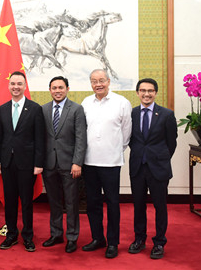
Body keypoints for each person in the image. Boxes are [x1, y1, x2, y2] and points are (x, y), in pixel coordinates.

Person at [81, 69, 132, 259]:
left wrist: (117, 149)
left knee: (112, 203)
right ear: (91, 84)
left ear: (109, 81)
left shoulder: (121, 103)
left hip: (111, 162)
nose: (98, 84)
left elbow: (126, 133)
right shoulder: (86, 102)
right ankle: (97, 238)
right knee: (92, 203)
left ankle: (113, 242)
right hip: (89, 161)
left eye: (101, 80)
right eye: (94, 81)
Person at [0, 71, 45, 252]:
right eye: (13, 84)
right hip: (7, 163)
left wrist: (39, 164)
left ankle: (28, 236)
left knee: (26, 202)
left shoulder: (35, 108)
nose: (16, 87)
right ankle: (11, 235)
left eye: (19, 84)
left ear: (25, 86)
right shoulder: (2, 108)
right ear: (8, 86)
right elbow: (0, 137)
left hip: (27, 164)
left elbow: (40, 138)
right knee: (9, 201)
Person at [128, 78, 177, 260]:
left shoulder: (166, 114)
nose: (146, 94)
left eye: (150, 91)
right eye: (142, 90)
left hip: (159, 168)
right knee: (138, 206)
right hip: (138, 167)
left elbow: (171, 143)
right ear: (138, 93)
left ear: (155, 93)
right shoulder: (131, 114)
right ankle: (139, 239)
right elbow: (130, 139)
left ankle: (159, 242)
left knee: (160, 206)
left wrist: (159, 158)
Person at [41, 76, 87, 253]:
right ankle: (56, 233)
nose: (57, 91)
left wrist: (77, 162)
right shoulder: (44, 109)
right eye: (54, 88)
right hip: (49, 164)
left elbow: (81, 138)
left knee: (71, 202)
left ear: (67, 89)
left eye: (61, 87)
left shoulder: (76, 109)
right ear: (50, 90)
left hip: (70, 165)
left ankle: (72, 237)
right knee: (53, 202)